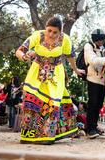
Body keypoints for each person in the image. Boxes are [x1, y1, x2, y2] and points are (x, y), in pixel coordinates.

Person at [15, 15, 85, 144]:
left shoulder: (65, 40)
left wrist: (75, 70)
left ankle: (47, 136)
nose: (51, 34)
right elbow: (19, 51)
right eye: (49, 31)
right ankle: (28, 136)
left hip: (56, 74)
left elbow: (71, 56)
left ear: (60, 32)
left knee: (52, 102)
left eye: (55, 32)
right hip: (36, 71)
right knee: (31, 99)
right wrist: (24, 57)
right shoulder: (37, 35)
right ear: (45, 29)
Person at [84, 29, 105, 139]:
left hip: (103, 80)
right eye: (100, 41)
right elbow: (93, 61)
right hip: (93, 79)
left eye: (103, 40)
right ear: (95, 40)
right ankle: (89, 129)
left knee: (99, 105)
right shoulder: (88, 47)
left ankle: (94, 126)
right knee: (92, 104)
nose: (102, 42)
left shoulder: (103, 47)